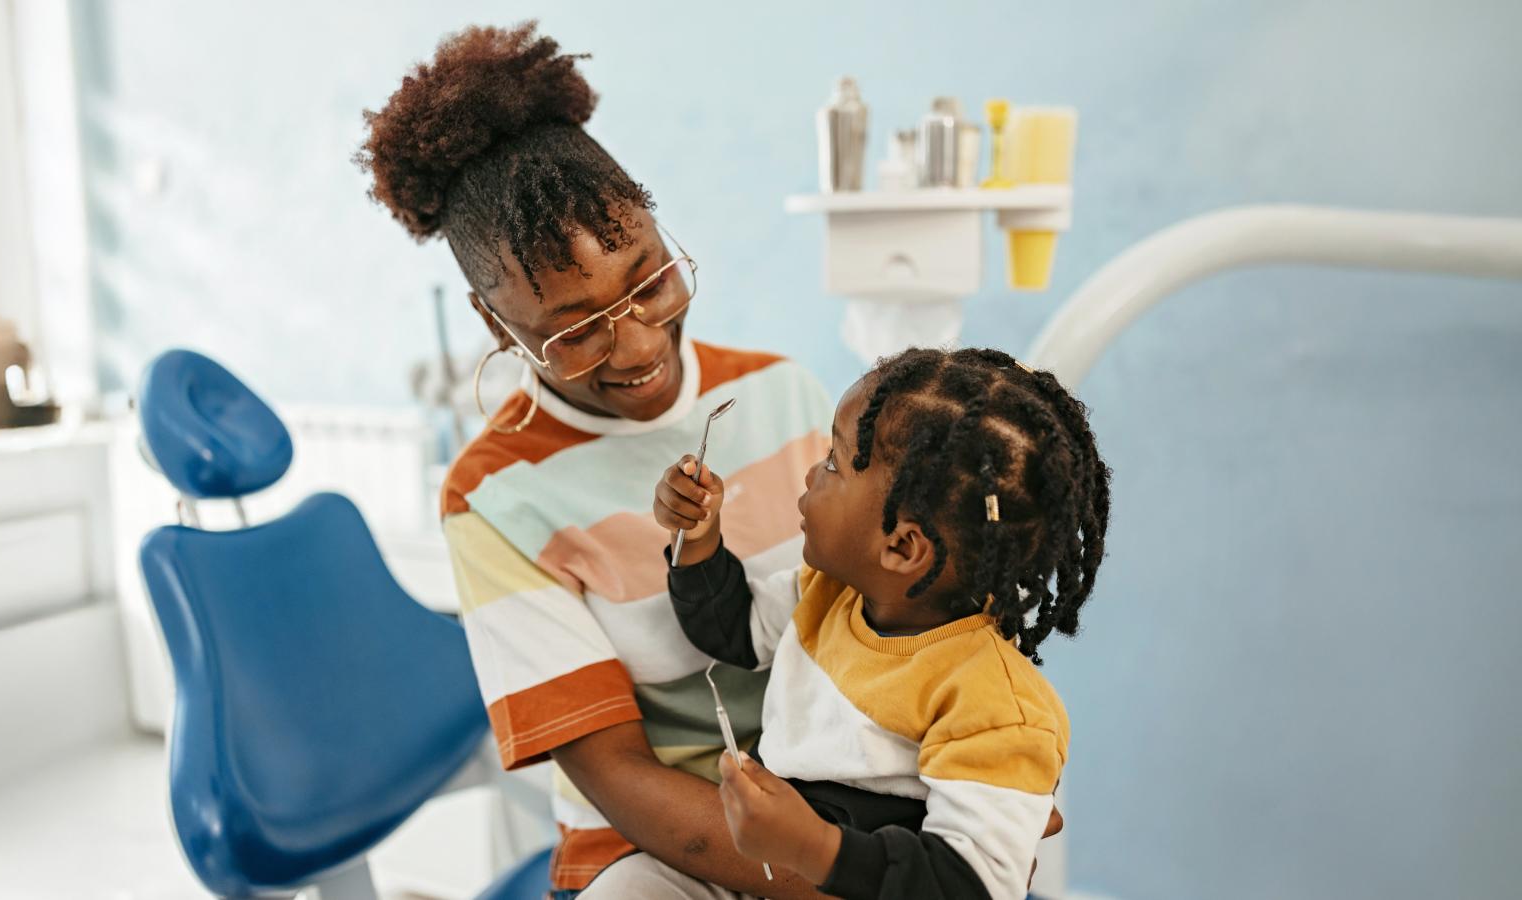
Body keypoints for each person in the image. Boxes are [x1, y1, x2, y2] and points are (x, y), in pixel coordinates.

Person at [357, 22, 836, 897]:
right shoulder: (492, 497)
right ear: (496, 324)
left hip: (847, 802)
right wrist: (844, 882)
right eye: (574, 330)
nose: (637, 345)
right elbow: (615, 771)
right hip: (658, 850)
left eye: (649, 280)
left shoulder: (786, 396)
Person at [592, 346, 1109, 899]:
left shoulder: (996, 706)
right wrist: (698, 541)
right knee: (631, 885)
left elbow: (970, 885)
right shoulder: (827, 598)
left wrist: (814, 848)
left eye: (834, 463)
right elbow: (732, 630)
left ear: (902, 545)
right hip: (771, 869)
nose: (813, 473)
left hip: (864, 884)